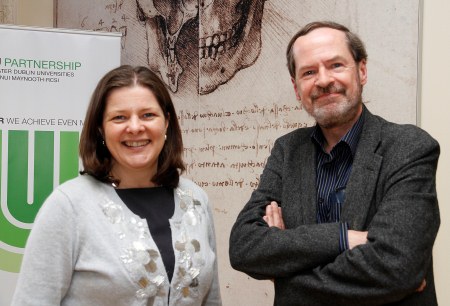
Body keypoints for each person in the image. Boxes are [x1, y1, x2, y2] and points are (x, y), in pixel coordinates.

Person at [229, 21, 440, 305]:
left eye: (336, 65)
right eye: (309, 72)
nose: (324, 80)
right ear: (296, 87)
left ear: (361, 71)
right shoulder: (287, 151)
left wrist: (286, 276)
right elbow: (244, 246)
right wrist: (344, 238)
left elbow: (397, 267)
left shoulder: (408, 147)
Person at [12, 65, 222, 306]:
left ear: (166, 123)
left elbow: (212, 299)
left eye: (148, 115)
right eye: (119, 117)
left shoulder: (195, 200)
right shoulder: (68, 207)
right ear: (101, 128)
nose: (134, 127)